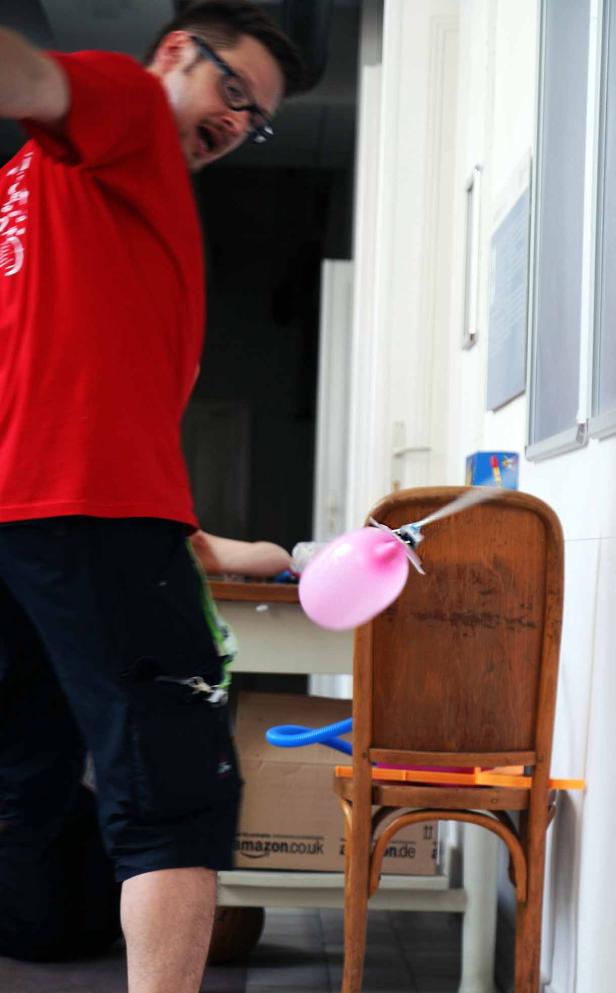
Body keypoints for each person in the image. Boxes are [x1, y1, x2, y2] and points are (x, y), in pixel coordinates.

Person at [0, 3, 302, 991]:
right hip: (88, 520)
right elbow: (33, 79)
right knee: (172, 804)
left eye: (256, 118)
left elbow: (57, 399)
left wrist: (195, 540)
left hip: (35, 526)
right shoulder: (131, 113)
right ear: (174, 54)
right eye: (232, 90)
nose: (236, 123)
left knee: (23, 799)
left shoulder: (25, 189)